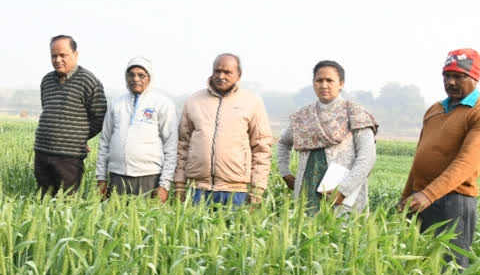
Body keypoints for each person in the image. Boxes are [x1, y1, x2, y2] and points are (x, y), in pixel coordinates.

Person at [397, 48, 480, 267]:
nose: (450, 82)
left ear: (475, 78)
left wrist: (429, 194)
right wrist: (407, 194)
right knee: (417, 267)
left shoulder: (477, 110)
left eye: (458, 76)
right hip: (419, 199)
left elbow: (466, 163)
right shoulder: (434, 110)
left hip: (453, 202)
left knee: (448, 269)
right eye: (446, 75)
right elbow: (419, 158)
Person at [277, 60, 378, 214]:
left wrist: (343, 190)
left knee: (341, 234)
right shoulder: (304, 116)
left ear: (341, 84)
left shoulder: (355, 113)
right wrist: (285, 173)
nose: (324, 85)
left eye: (329, 80)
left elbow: (367, 157)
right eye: (319, 80)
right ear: (313, 83)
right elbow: (284, 143)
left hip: (342, 195)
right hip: (307, 192)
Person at [174, 53, 272, 207]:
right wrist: (179, 183)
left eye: (227, 72)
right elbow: (183, 145)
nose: (221, 76)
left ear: (239, 75)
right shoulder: (194, 101)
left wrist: (257, 188)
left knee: (236, 230)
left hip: (236, 190)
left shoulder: (252, 102)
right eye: (217, 71)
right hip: (198, 189)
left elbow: (262, 147)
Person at [95, 57, 177, 202]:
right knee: (115, 222)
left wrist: (164, 185)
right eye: (131, 74)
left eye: (141, 75)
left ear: (150, 78)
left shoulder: (162, 104)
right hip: (117, 176)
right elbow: (104, 143)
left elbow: (170, 146)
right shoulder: (116, 104)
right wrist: (101, 178)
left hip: (149, 178)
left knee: (146, 222)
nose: (135, 79)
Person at [34, 35, 107, 196]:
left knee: (66, 203)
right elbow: (48, 109)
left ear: (75, 54)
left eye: (63, 55)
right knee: (42, 202)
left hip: (68, 157)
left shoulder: (88, 81)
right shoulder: (46, 81)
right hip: (42, 152)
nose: (58, 60)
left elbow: (100, 117)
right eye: (54, 55)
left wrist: (79, 137)